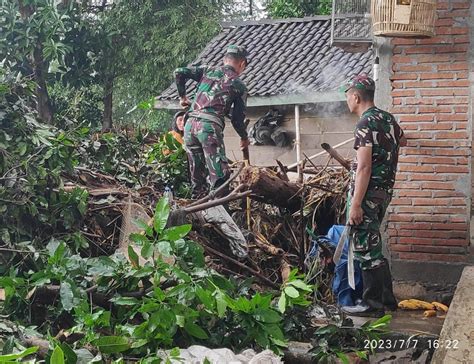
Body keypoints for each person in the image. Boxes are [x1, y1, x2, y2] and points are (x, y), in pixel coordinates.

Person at [340, 74, 407, 317]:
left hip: (367, 195)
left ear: (356, 97)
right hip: (383, 193)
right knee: (373, 243)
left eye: (348, 96)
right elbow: (403, 139)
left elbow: (365, 167)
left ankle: (372, 304)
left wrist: (355, 204)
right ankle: (387, 300)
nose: (347, 101)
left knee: (366, 248)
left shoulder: (364, 124)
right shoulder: (387, 119)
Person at [174, 45, 250, 198]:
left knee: (197, 177)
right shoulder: (239, 85)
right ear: (242, 64)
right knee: (219, 176)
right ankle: (221, 216)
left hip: (189, 126)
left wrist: (182, 97)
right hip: (208, 128)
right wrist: (244, 137)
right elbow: (237, 120)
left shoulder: (207, 70)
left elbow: (179, 72)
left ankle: (198, 213)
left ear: (224, 60)